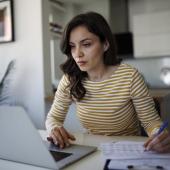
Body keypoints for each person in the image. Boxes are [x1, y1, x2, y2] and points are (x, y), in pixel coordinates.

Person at [45, 11, 170, 153]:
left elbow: (150, 122)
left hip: (126, 151)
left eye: (86, 44)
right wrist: (54, 128)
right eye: (72, 46)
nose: (77, 53)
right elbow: (53, 117)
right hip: (93, 150)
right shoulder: (70, 79)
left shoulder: (130, 76)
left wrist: (159, 135)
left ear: (105, 44)